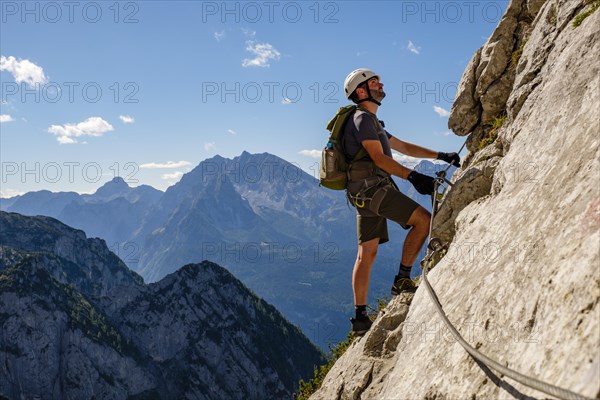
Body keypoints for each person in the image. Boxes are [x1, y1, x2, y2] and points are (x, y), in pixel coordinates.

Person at [342, 68, 460, 335]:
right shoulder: (363, 119)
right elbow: (378, 159)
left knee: (367, 252)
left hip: (363, 193)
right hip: (373, 189)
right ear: (361, 92)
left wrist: (441, 154)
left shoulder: (373, 122)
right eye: (374, 83)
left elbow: (404, 147)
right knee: (423, 220)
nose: (381, 84)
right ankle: (402, 280)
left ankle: (360, 318)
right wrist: (413, 176)